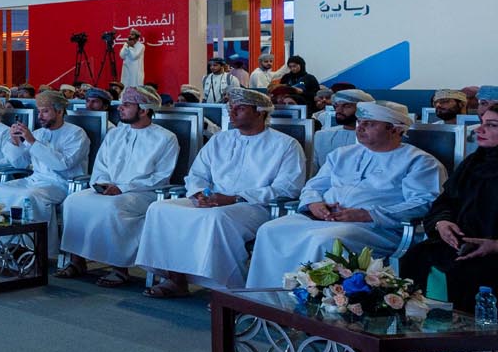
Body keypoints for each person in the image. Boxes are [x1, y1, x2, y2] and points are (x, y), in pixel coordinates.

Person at [246, 101, 445, 289]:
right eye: (360, 122)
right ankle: (265, 305)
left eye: (370, 124)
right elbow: (313, 186)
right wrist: (314, 203)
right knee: (269, 230)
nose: (360, 128)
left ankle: (310, 312)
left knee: (324, 241)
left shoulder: (420, 162)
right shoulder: (342, 154)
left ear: (395, 129)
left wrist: (367, 214)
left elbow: (424, 203)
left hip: (376, 228)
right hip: (322, 219)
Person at [136, 88, 306, 296]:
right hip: (213, 200)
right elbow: (197, 173)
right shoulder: (220, 140)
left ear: (260, 112)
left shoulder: (285, 145)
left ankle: (228, 290)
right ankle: (176, 278)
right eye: (230, 108)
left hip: (254, 206)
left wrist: (234, 198)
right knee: (159, 209)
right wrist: (198, 193)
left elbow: (288, 187)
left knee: (217, 218)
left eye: (240, 109)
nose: (232, 113)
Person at [57, 86, 181, 285]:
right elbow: (102, 164)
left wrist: (122, 188)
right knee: (73, 201)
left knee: (113, 207)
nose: (120, 108)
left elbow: (161, 176)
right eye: (122, 104)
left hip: (143, 192)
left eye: (127, 105)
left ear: (143, 109)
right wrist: (103, 183)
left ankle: (119, 268)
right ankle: (77, 260)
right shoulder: (115, 134)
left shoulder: (165, 138)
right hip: (108, 189)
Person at [399, 110, 498, 311]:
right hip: (460, 244)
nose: (480, 129)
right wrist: (442, 223)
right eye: (482, 123)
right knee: (418, 257)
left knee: (473, 272)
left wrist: (494, 246)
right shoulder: (474, 163)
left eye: (492, 125)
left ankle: (469, 339)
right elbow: (444, 203)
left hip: (492, 251)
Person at [0, 89, 90, 250]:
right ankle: (2, 244)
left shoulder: (76, 134)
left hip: (61, 183)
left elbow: (62, 164)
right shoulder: (38, 133)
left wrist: (31, 141)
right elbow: (20, 164)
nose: (40, 116)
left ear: (59, 111)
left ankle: (30, 248)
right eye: (39, 111)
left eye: (45, 111)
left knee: (28, 196)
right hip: (34, 180)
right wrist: (16, 142)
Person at [310, 89, 373, 170]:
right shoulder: (322, 135)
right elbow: (313, 169)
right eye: (336, 106)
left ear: (364, 110)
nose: (338, 110)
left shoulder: (374, 137)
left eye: (346, 106)